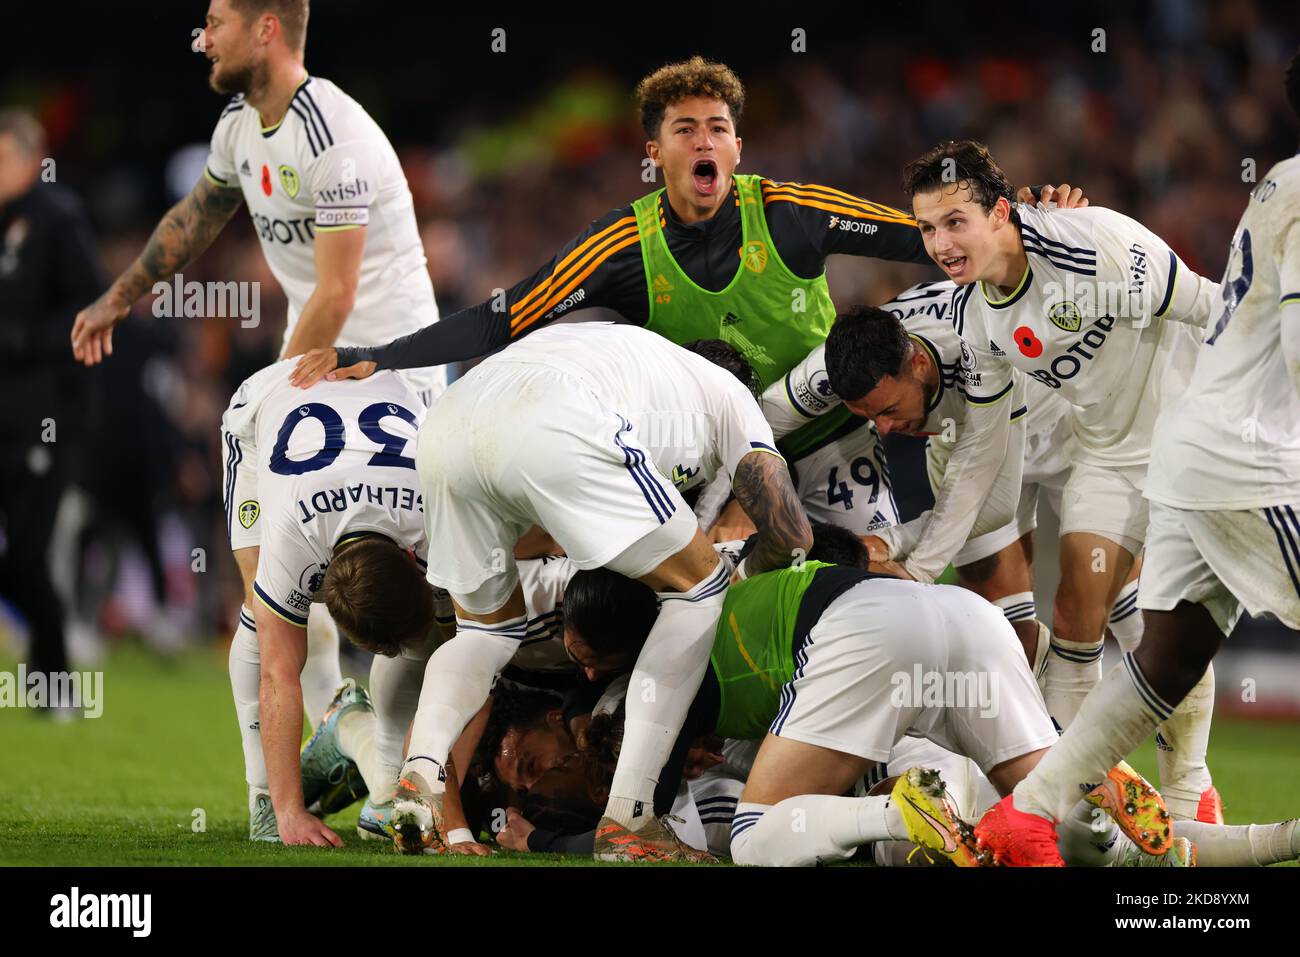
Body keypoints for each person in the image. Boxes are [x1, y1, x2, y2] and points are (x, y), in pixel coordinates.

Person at [290, 56, 1084, 537]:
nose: (704, 140)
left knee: (890, 583)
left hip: (837, 436)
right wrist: (378, 355)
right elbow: (508, 316)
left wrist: (1032, 218)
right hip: (715, 458)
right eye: (684, 129)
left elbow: (933, 236)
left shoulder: (789, 211)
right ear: (654, 151)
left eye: (718, 127)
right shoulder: (621, 246)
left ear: (738, 145)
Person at [67, 0, 447, 840]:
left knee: (411, 599)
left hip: (393, 368)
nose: (202, 37)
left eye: (215, 21)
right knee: (266, 593)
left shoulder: (334, 135)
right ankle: (296, 780)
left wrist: (272, 397)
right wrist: (119, 298)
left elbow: (341, 294)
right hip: (309, 360)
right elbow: (196, 219)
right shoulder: (241, 126)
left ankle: (385, 766)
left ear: (266, 28)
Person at [974, 51, 1300, 866]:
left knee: (1170, 649)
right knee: (1103, 624)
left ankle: (1044, 808)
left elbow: (1208, 301)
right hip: (1240, 459)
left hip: (1189, 448)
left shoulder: (1277, 184)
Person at [388, 325, 811, 861]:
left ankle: (421, 771)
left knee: (486, 629)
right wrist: (748, 571)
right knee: (701, 587)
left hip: (449, 425)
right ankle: (630, 816)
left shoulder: (636, 360)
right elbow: (792, 532)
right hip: (557, 417)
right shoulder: (732, 399)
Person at [898, 139, 1223, 824]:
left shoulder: (1092, 245)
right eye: (927, 228)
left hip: (1193, 429)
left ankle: (1191, 798)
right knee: (1077, 626)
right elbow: (983, 453)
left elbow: (1212, 308)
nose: (941, 243)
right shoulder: (978, 313)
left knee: (1170, 623)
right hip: (1107, 455)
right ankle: (1080, 817)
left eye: (955, 221)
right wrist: (923, 567)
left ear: (1000, 213)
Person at [221, 357, 450, 845]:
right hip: (263, 410)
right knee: (261, 624)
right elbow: (276, 673)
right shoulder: (292, 537)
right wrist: (289, 811)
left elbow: (454, 653)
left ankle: (381, 775)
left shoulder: (440, 510)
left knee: (436, 641)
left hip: (380, 388)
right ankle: (265, 799)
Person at [0, 108, 104, 710]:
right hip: (4, 419)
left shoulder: (59, 220)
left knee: (30, 551)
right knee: (22, 557)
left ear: (29, 158)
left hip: (47, 420)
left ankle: (54, 683)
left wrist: (23, 339)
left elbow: (89, 311)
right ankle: (48, 678)